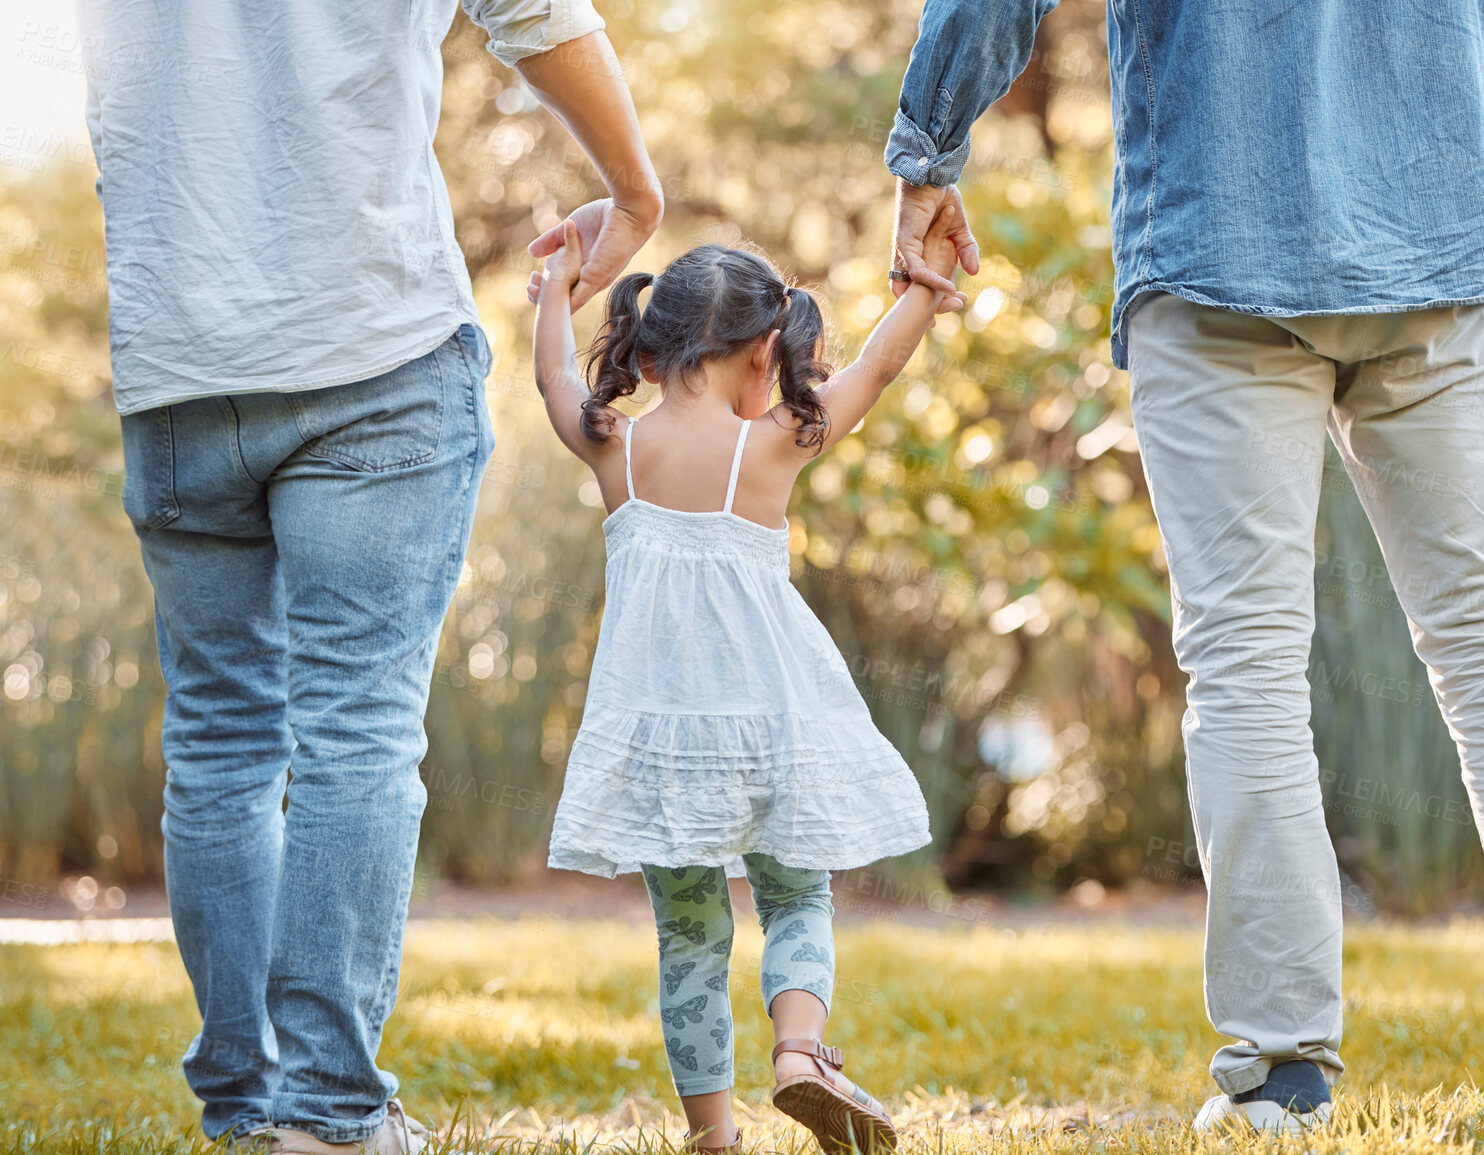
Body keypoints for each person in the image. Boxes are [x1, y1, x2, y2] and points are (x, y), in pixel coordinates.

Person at [881, 0, 1484, 1134]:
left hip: (1219, 260)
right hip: (1437, 257)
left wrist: (928, 146)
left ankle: (1282, 1070)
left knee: (1246, 670)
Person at [77, 0, 662, 1148]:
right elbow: (533, 10)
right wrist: (637, 194)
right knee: (355, 732)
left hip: (178, 366)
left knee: (218, 742)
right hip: (370, 345)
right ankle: (329, 1115)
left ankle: (246, 1112)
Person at [530, 212, 963, 1152]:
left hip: (663, 739)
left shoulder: (615, 444)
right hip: (774, 724)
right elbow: (877, 371)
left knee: (688, 935)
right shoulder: (776, 442)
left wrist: (557, 294)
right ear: (766, 351)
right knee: (798, 897)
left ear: (647, 350)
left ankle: (713, 1134)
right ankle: (801, 1052)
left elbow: (553, 381)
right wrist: (923, 291)